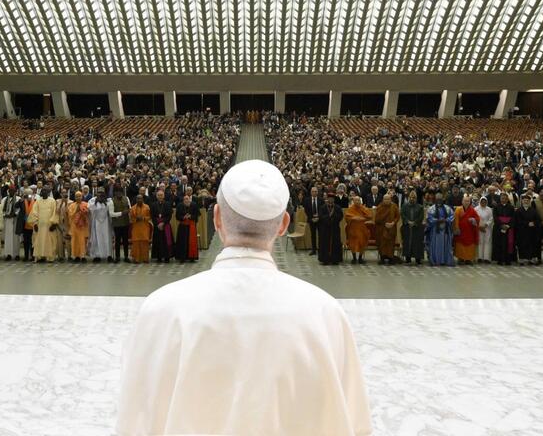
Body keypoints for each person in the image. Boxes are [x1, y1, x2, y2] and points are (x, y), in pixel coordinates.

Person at [116, 159, 371, 436]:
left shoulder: (160, 309)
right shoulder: (326, 313)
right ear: (283, 224)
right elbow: (353, 424)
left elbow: (134, 422)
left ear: (216, 218)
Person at [424, 192, 455, 267]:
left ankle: (445, 260)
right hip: (435, 231)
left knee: (446, 245)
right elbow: (429, 218)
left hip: (445, 230)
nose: (439, 200)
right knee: (435, 245)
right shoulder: (431, 209)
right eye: (437, 199)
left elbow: (452, 216)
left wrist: (446, 220)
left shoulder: (448, 208)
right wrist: (437, 221)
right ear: (435, 199)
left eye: (440, 199)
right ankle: (435, 260)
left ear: (442, 199)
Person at [316, 189, 344, 266]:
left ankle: (335, 259)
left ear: (334, 199)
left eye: (332, 199)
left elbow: (340, 216)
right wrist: (329, 217)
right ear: (327, 199)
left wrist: (333, 217)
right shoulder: (323, 207)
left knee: (335, 243)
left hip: (335, 228)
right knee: (325, 244)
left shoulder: (337, 207)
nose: (330, 200)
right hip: (325, 229)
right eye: (329, 199)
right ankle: (325, 259)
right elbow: (321, 217)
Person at [399, 189, 426, 265]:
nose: (412, 199)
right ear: (409, 197)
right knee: (407, 242)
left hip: (417, 228)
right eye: (411, 197)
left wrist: (414, 222)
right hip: (407, 227)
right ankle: (408, 259)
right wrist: (408, 222)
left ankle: (418, 259)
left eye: (414, 197)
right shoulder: (404, 206)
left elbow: (421, 216)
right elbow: (403, 214)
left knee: (417, 243)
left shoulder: (420, 207)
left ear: (416, 198)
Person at [343, 196, 372, 264]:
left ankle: (360, 258)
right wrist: (354, 218)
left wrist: (362, 218)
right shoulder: (351, 209)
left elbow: (369, 216)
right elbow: (347, 217)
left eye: (358, 200)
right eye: (356, 200)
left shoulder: (363, 208)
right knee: (353, 243)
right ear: (353, 201)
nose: (357, 202)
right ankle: (354, 258)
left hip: (362, 229)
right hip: (353, 229)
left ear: (360, 201)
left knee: (362, 243)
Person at [89, 188, 114, 263]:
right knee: (97, 239)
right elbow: (90, 208)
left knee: (107, 238)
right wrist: (97, 202)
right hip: (97, 222)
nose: (100, 194)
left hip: (106, 223)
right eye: (99, 192)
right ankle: (97, 256)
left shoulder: (109, 200)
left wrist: (104, 202)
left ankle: (109, 255)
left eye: (102, 192)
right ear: (96, 193)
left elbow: (110, 210)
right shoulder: (93, 200)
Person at [373, 192, 399, 264]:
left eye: (388, 199)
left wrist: (393, 223)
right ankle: (382, 258)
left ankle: (390, 258)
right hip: (381, 228)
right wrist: (385, 224)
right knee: (382, 243)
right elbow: (377, 219)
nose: (387, 200)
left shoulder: (394, 206)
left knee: (390, 243)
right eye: (385, 199)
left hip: (391, 228)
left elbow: (397, 216)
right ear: (383, 200)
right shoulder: (380, 207)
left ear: (391, 199)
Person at [173, 194, 200, 263]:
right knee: (182, 242)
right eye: (185, 199)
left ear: (190, 200)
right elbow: (177, 216)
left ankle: (192, 257)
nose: (186, 200)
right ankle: (182, 258)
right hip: (183, 227)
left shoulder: (194, 205)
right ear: (183, 200)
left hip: (191, 226)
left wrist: (191, 216)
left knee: (191, 242)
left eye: (187, 199)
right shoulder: (179, 206)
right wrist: (183, 217)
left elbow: (197, 215)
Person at [149, 189, 174, 264]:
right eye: (159, 195)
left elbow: (169, 215)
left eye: (161, 195)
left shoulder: (167, 204)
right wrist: (157, 224)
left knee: (166, 241)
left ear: (164, 196)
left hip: (165, 225)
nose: (160, 196)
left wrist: (163, 223)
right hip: (157, 226)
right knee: (158, 242)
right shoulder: (153, 205)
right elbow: (152, 216)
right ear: (156, 196)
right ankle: (158, 257)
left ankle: (167, 257)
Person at [513, 194, 538, 265]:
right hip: (522, 232)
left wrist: (534, 223)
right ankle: (522, 259)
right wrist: (527, 223)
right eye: (524, 200)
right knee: (522, 245)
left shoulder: (533, 210)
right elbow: (517, 221)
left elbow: (537, 220)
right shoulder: (518, 211)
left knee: (531, 245)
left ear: (530, 201)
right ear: (522, 201)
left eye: (527, 200)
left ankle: (530, 259)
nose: (526, 202)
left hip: (531, 232)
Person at [453, 196, 479, 265]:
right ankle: (460, 258)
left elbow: (477, 218)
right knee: (460, 244)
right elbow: (456, 219)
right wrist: (457, 228)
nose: (466, 202)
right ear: (462, 202)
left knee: (470, 245)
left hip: (470, 231)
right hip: (461, 231)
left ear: (470, 202)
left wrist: (473, 220)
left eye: (468, 201)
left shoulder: (472, 210)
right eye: (465, 201)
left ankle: (468, 259)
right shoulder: (458, 209)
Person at [67, 190, 90, 262]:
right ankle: (76, 256)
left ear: (82, 197)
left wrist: (84, 212)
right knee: (75, 241)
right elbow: (70, 215)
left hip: (83, 227)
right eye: (77, 196)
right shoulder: (72, 205)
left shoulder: (86, 204)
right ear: (75, 197)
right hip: (74, 227)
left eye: (79, 196)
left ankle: (83, 256)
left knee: (83, 241)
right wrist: (76, 210)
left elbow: (88, 214)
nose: (78, 198)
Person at [129, 194, 152, 263]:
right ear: (136, 200)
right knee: (136, 242)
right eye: (138, 199)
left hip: (145, 227)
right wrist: (136, 219)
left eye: (141, 199)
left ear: (143, 199)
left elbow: (150, 216)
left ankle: (145, 258)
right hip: (136, 228)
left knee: (145, 242)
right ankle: (136, 259)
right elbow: (131, 219)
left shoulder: (147, 207)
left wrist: (144, 218)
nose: (139, 200)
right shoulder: (132, 208)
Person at [111, 186, 131, 263]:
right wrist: (121, 213)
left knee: (126, 241)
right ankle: (117, 257)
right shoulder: (111, 201)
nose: (119, 193)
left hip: (126, 223)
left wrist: (129, 211)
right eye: (117, 192)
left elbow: (130, 208)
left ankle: (126, 256)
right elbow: (111, 214)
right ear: (115, 193)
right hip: (117, 224)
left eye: (120, 192)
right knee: (117, 241)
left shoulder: (127, 198)